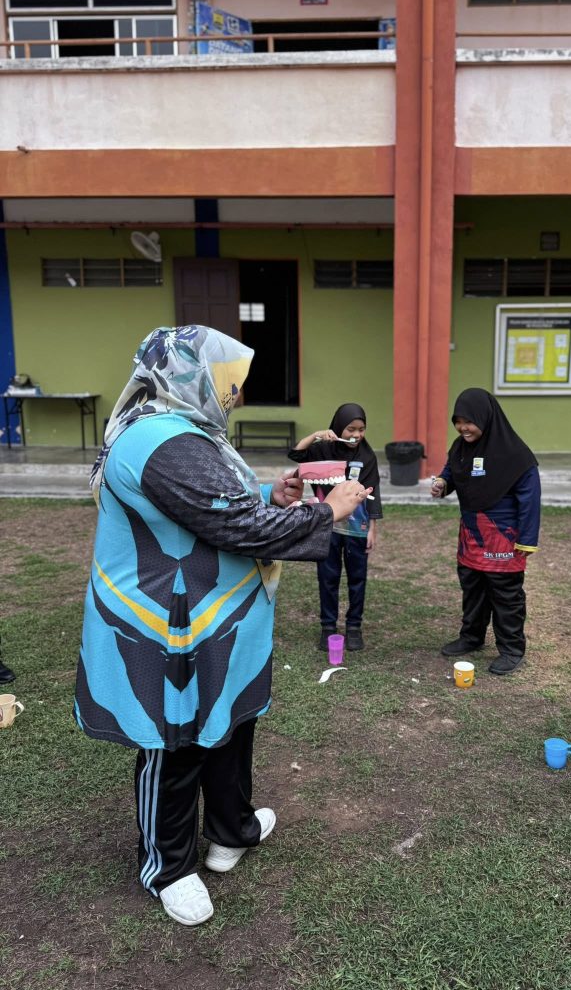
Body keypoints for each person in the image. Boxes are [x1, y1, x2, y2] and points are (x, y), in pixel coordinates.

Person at [74, 326, 369, 927]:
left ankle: (231, 829)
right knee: (176, 740)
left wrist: (269, 493)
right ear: (188, 375)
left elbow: (216, 504)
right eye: (227, 381)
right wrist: (326, 512)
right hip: (165, 626)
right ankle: (168, 867)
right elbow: (238, 527)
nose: (234, 394)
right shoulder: (157, 440)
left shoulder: (186, 430)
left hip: (216, 618)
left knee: (229, 722)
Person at [431, 388, 541, 676]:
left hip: (504, 539)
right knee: (473, 590)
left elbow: (530, 500)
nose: (463, 428)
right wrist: (442, 484)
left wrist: (527, 540)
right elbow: (451, 471)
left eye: (469, 421)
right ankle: (472, 637)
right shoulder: (460, 447)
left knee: (505, 596)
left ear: (485, 418)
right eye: (458, 421)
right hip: (471, 535)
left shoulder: (517, 455)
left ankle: (512, 649)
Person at [288, 403, 382, 652]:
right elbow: (296, 455)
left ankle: (354, 627)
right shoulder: (323, 449)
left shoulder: (367, 456)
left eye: (361, 429)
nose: (356, 435)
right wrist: (316, 435)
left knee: (357, 578)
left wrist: (372, 528)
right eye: (351, 429)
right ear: (339, 427)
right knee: (328, 577)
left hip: (357, 527)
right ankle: (328, 627)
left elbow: (374, 492)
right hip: (327, 525)